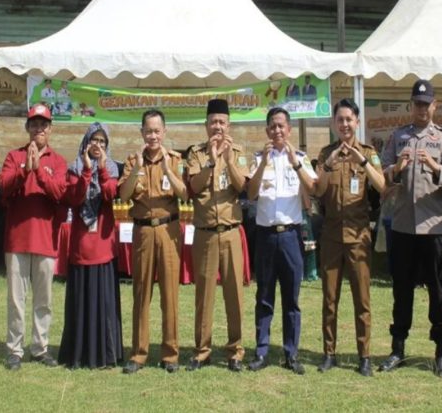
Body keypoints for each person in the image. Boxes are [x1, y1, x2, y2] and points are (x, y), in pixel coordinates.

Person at [379, 79, 442, 378]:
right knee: (401, 290)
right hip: (403, 226)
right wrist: (396, 169)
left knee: (437, 290)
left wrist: (436, 167)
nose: (422, 109)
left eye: (426, 104)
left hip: (433, 228)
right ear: (410, 105)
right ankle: (397, 349)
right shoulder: (398, 136)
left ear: (434, 106)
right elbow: (381, 173)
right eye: (417, 103)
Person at [314, 98, 385, 376]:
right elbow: (318, 190)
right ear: (334, 123)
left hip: (358, 236)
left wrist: (362, 162)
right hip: (331, 235)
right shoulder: (325, 153)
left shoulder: (368, 152)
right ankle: (329, 353)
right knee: (329, 299)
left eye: (349, 119)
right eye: (340, 120)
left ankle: (364, 355)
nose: (344, 124)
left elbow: (382, 186)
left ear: (357, 122)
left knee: (362, 300)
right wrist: (328, 164)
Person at [246, 107, 317, 375]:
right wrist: (263, 162)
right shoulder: (258, 159)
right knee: (264, 296)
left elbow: (312, 190)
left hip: (290, 235)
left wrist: (294, 162)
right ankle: (262, 351)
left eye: (281, 126)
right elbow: (251, 194)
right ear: (267, 130)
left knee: (291, 298)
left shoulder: (300, 158)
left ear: (289, 130)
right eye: (272, 126)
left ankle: (291, 353)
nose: (277, 130)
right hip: (265, 236)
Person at [118, 109, 187, 374]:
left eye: (157, 131)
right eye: (148, 131)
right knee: (141, 292)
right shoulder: (132, 161)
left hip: (169, 230)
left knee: (169, 294)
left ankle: (170, 354)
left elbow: (185, 195)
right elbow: (124, 196)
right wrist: (136, 169)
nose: (153, 136)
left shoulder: (175, 159)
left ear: (164, 132)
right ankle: (138, 353)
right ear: (141, 133)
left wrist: (168, 170)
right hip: (143, 231)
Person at [0, 103, 67, 371]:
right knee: (16, 299)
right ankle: (14, 349)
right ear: (27, 128)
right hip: (17, 239)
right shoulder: (14, 156)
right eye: (34, 124)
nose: (39, 129)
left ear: (50, 129)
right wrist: (24, 170)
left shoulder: (57, 161)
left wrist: (38, 170)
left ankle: (40, 347)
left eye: (43, 125)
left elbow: (59, 193)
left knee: (44, 300)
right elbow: (3, 188)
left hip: (45, 240)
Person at [185, 99, 249, 373]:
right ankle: (202, 350)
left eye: (222, 122)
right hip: (205, 234)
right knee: (204, 295)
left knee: (234, 294)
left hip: (231, 232)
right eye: (213, 122)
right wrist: (211, 161)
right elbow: (193, 186)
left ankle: (235, 350)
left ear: (229, 125)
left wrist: (228, 160)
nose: (218, 127)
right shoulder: (196, 154)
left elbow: (242, 186)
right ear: (206, 125)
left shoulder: (238, 151)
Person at [58, 123, 123, 369]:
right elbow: (74, 197)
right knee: (81, 301)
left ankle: (105, 354)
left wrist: (103, 168)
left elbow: (109, 194)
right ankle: (79, 354)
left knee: (103, 303)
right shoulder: (74, 168)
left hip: (103, 246)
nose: (98, 145)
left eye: (102, 141)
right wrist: (86, 171)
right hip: (81, 244)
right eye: (94, 140)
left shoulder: (113, 168)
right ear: (86, 143)